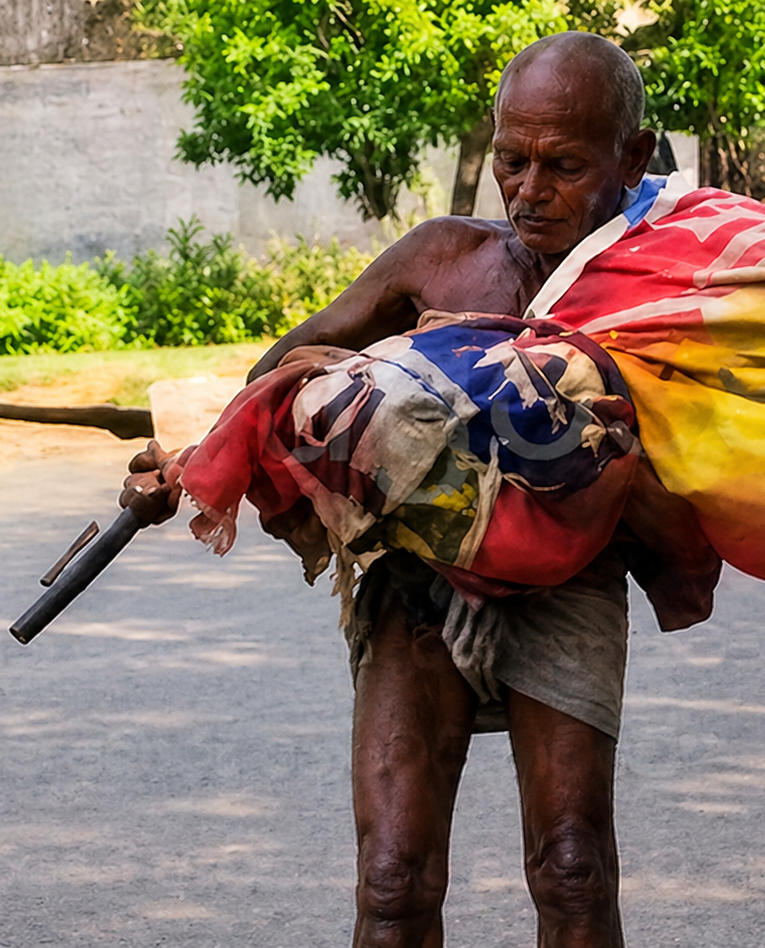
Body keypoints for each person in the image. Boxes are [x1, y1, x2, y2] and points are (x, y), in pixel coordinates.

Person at [122, 32, 719, 948]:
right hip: (415, 587)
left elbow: (707, 461)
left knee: (572, 870)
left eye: (563, 166)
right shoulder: (442, 257)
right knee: (393, 882)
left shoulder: (659, 292)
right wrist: (195, 463)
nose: (528, 189)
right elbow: (276, 376)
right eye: (511, 160)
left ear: (631, 158)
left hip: (569, 585)